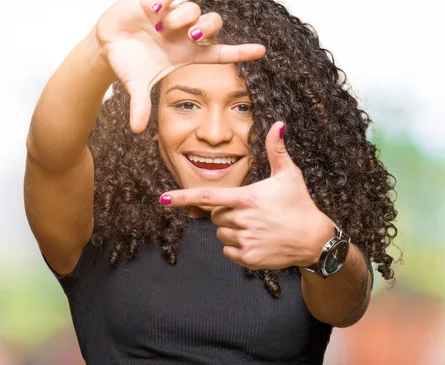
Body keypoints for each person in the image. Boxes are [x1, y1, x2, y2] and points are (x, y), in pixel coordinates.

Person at [24, 0, 398, 363]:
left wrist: (321, 245)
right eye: (186, 104)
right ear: (154, 122)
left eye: (244, 107)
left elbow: (348, 307)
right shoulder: (98, 224)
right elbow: (50, 155)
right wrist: (98, 49)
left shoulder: (298, 217)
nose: (214, 133)